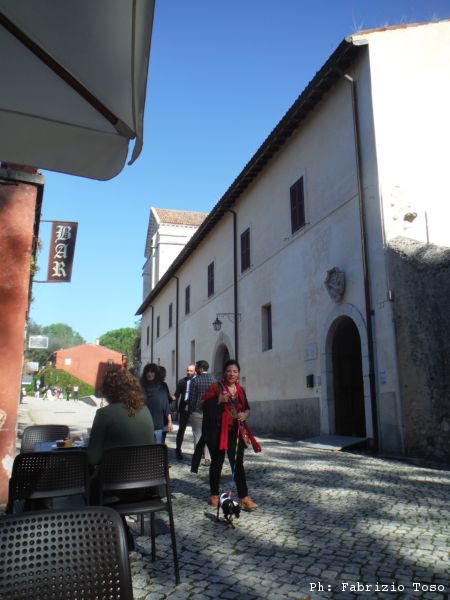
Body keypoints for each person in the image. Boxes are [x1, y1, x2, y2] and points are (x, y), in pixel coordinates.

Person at [87, 367, 156, 550]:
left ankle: (103, 541)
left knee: (88, 487)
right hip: (148, 487)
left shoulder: (104, 414)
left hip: (116, 489)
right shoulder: (145, 410)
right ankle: (124, 534)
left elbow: (93, 458)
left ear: (108, 390)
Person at [201, 359, 260, 509]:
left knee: (238, 463)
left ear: (238, 373)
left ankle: (244, 497)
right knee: (217, 462)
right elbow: (201, 404)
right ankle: (214, 495)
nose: (232, 374)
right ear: (224, 373)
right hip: (218, 431)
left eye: (234, 371)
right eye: (229, 371)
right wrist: (217, 400)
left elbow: (247, 408)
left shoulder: (240, 390)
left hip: (235, 431)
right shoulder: (216, 387)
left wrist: (245, 415)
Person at [188, 360, 215, 466]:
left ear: (201, 369)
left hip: (197, 412)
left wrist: (191, 410)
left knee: (197, 436)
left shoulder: (195, 380)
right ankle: (208, 458)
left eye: (197, 367)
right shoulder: (213, 380)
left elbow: (191, 398)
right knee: (208, 435)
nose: (195, 369)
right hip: (210, 412)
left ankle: (197, 458)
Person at [140, 363, 173, 443]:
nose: (149, 374)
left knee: (157, 446)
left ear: (156, 373)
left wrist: (170, 421)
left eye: (152, 372)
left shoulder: (162, 386)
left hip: (157, 423)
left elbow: (166, 405)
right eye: (147, 372)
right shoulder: (140, 386)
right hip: (143, 422)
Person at [172, 364, 196, 459]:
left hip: (194, 408)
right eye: (188, 370)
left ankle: (199, 451)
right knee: (181, 429)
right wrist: (174, 408)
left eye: (191, 371)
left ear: (195, 371)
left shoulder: (197, 381)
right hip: (184, 407)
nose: (189, 372)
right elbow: (177, 395)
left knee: (197, 431)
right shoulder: (182, 381)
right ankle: (178, 449)